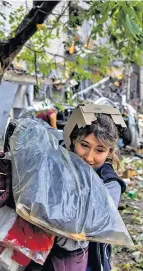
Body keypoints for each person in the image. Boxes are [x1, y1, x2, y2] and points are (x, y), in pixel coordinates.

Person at [39, 110, 126, 271]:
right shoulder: (60, 161)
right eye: (84, 145)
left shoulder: (110, 183)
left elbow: (88, 225)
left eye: (100, 150)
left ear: (109, 153)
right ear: (73, 140)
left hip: (83, 260)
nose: (89, 157)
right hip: (41, 253)